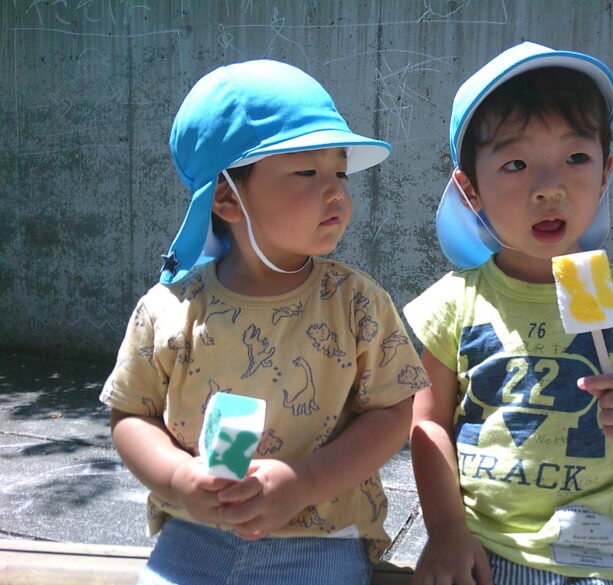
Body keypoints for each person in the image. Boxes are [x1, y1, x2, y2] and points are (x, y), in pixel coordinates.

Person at [100, 59, 429, 585]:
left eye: (340, 171)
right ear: (228, 197)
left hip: (319, 535)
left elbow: (392, 411)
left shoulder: (355, 303)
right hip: (195, 536)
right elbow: (130, 416)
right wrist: (180, 478)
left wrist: (303, 482)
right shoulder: (169, 308)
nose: (336, 192)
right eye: (307, 171)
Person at [403, 42, 613, 585]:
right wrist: (444, 529)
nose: (550, 187)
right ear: (470, 192)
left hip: (591, 557)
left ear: (606, 172)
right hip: (479, 550)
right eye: (515, 163)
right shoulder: (452, 303)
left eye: (576, 157)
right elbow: (428, 426)